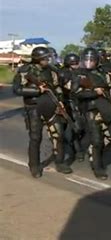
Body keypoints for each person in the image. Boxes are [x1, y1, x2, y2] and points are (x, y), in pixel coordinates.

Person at [13, 47, 73, 178]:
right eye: (45, 58)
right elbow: (17, 89)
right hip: (34, 107)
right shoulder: (25, 71)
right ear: (38, 59)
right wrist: (37, 91)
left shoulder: (52, 71)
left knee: (59, 135)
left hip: (51, 105)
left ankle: (60, 162)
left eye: (48, 57)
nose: (47, 60)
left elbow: (57, 87)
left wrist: (61, 101)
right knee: (35, 137)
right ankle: (34, 166)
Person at [72, 48, 111, 180]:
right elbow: (76, 93)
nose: (89, 62)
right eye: (87, 59)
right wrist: (94, 92)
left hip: (106, 108)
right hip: (90, 109)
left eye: (92, 60)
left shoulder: (104, 73)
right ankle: (97, 167)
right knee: (97, 140)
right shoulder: (78, 75)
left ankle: (94, 152)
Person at [60, 53, 87, 161]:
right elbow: (65, 88)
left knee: (80, 127)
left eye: (77, 63)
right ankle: (77, 149)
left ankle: (78, 148)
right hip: (66, 102)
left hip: (79, 101)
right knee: (69, 129)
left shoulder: (80, 72)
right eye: (74, 63)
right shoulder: (63, 73)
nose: (76, 65)